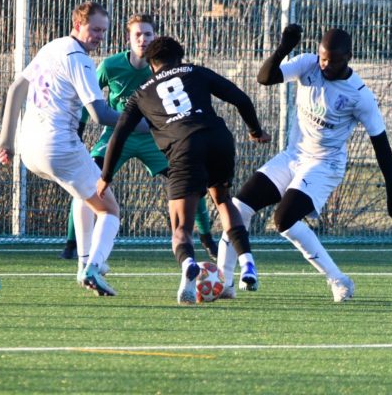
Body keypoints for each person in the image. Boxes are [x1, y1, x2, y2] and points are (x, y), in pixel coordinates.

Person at [218, 24, 392, 302]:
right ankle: (224, 284)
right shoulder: (308, 64)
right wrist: (284, 47)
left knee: (284, 220)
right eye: (322, 58)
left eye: (333, 60)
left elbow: (381, 144)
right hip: (293, 156)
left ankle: (339, 280)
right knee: (238, 208)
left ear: (349, 57)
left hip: (324, 165)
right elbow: (264, 78)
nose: (325, 65)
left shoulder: (360, 95)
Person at [97, 36, 271, 304]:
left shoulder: (141, 94)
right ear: (180, 58)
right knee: (222, 199)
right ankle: (247, 262)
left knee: (181, 226)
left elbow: (118, 134)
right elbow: (241, 99)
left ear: (151, 65)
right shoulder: (196, 71)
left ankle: (189, 266)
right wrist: (255, 130)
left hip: (184, 147)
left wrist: (106, 176)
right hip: (218, 137)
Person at [0, 1, 148, 297]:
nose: (99, 36)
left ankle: (85, 264)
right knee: (111, 211)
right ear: (77, 25)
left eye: (103, 31)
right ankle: (94, 264)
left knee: (86, 196)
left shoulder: (52, 46)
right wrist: (151, 125)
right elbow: (101, 115)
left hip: (29, 149)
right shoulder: (79, 59)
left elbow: (16, 89)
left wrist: (6, 140)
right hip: (58, 147)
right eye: (94, 29)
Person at [59, 14, 219, 262]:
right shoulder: (110, 66)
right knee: (88, 179)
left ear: (155, 38)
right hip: (115, 137)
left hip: (153, 139)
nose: (143, 39)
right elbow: (86, 98)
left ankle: (208, 238)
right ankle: (72, 244)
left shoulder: (164, 70)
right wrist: (78, 130)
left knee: (189, 180)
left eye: (148, 34)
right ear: (128, 38)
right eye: (138, 34)